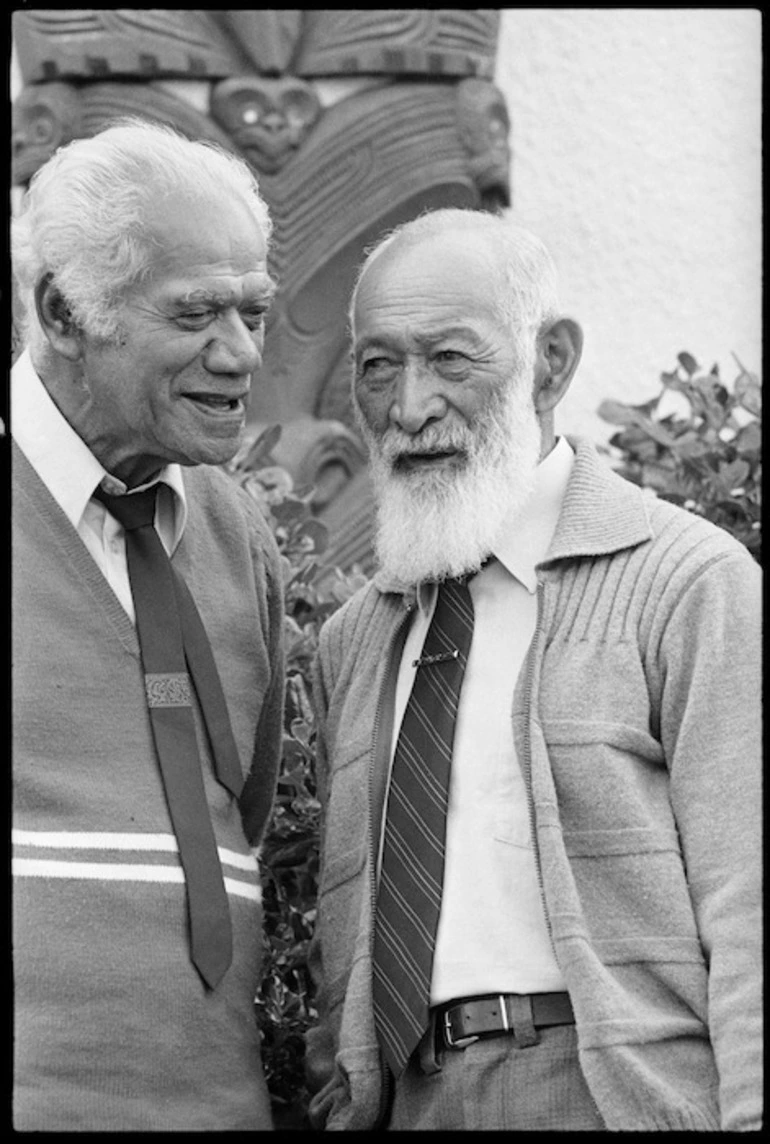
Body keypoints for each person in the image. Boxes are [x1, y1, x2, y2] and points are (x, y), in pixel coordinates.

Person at [304, 208, 762, 1131]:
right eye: (378, 365)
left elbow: (750, 900)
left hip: (605, 1096)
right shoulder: (356, 638)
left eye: (451, 359)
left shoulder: (688, 583)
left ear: (550, 362)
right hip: (400, 1102)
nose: (409, 406)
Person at [11, 119, 286, 1130]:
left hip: (219, 1106)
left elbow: (241, 808)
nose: (242, 352)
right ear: (64, 311)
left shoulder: (235, 528)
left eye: (252, 311)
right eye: (196, 315)